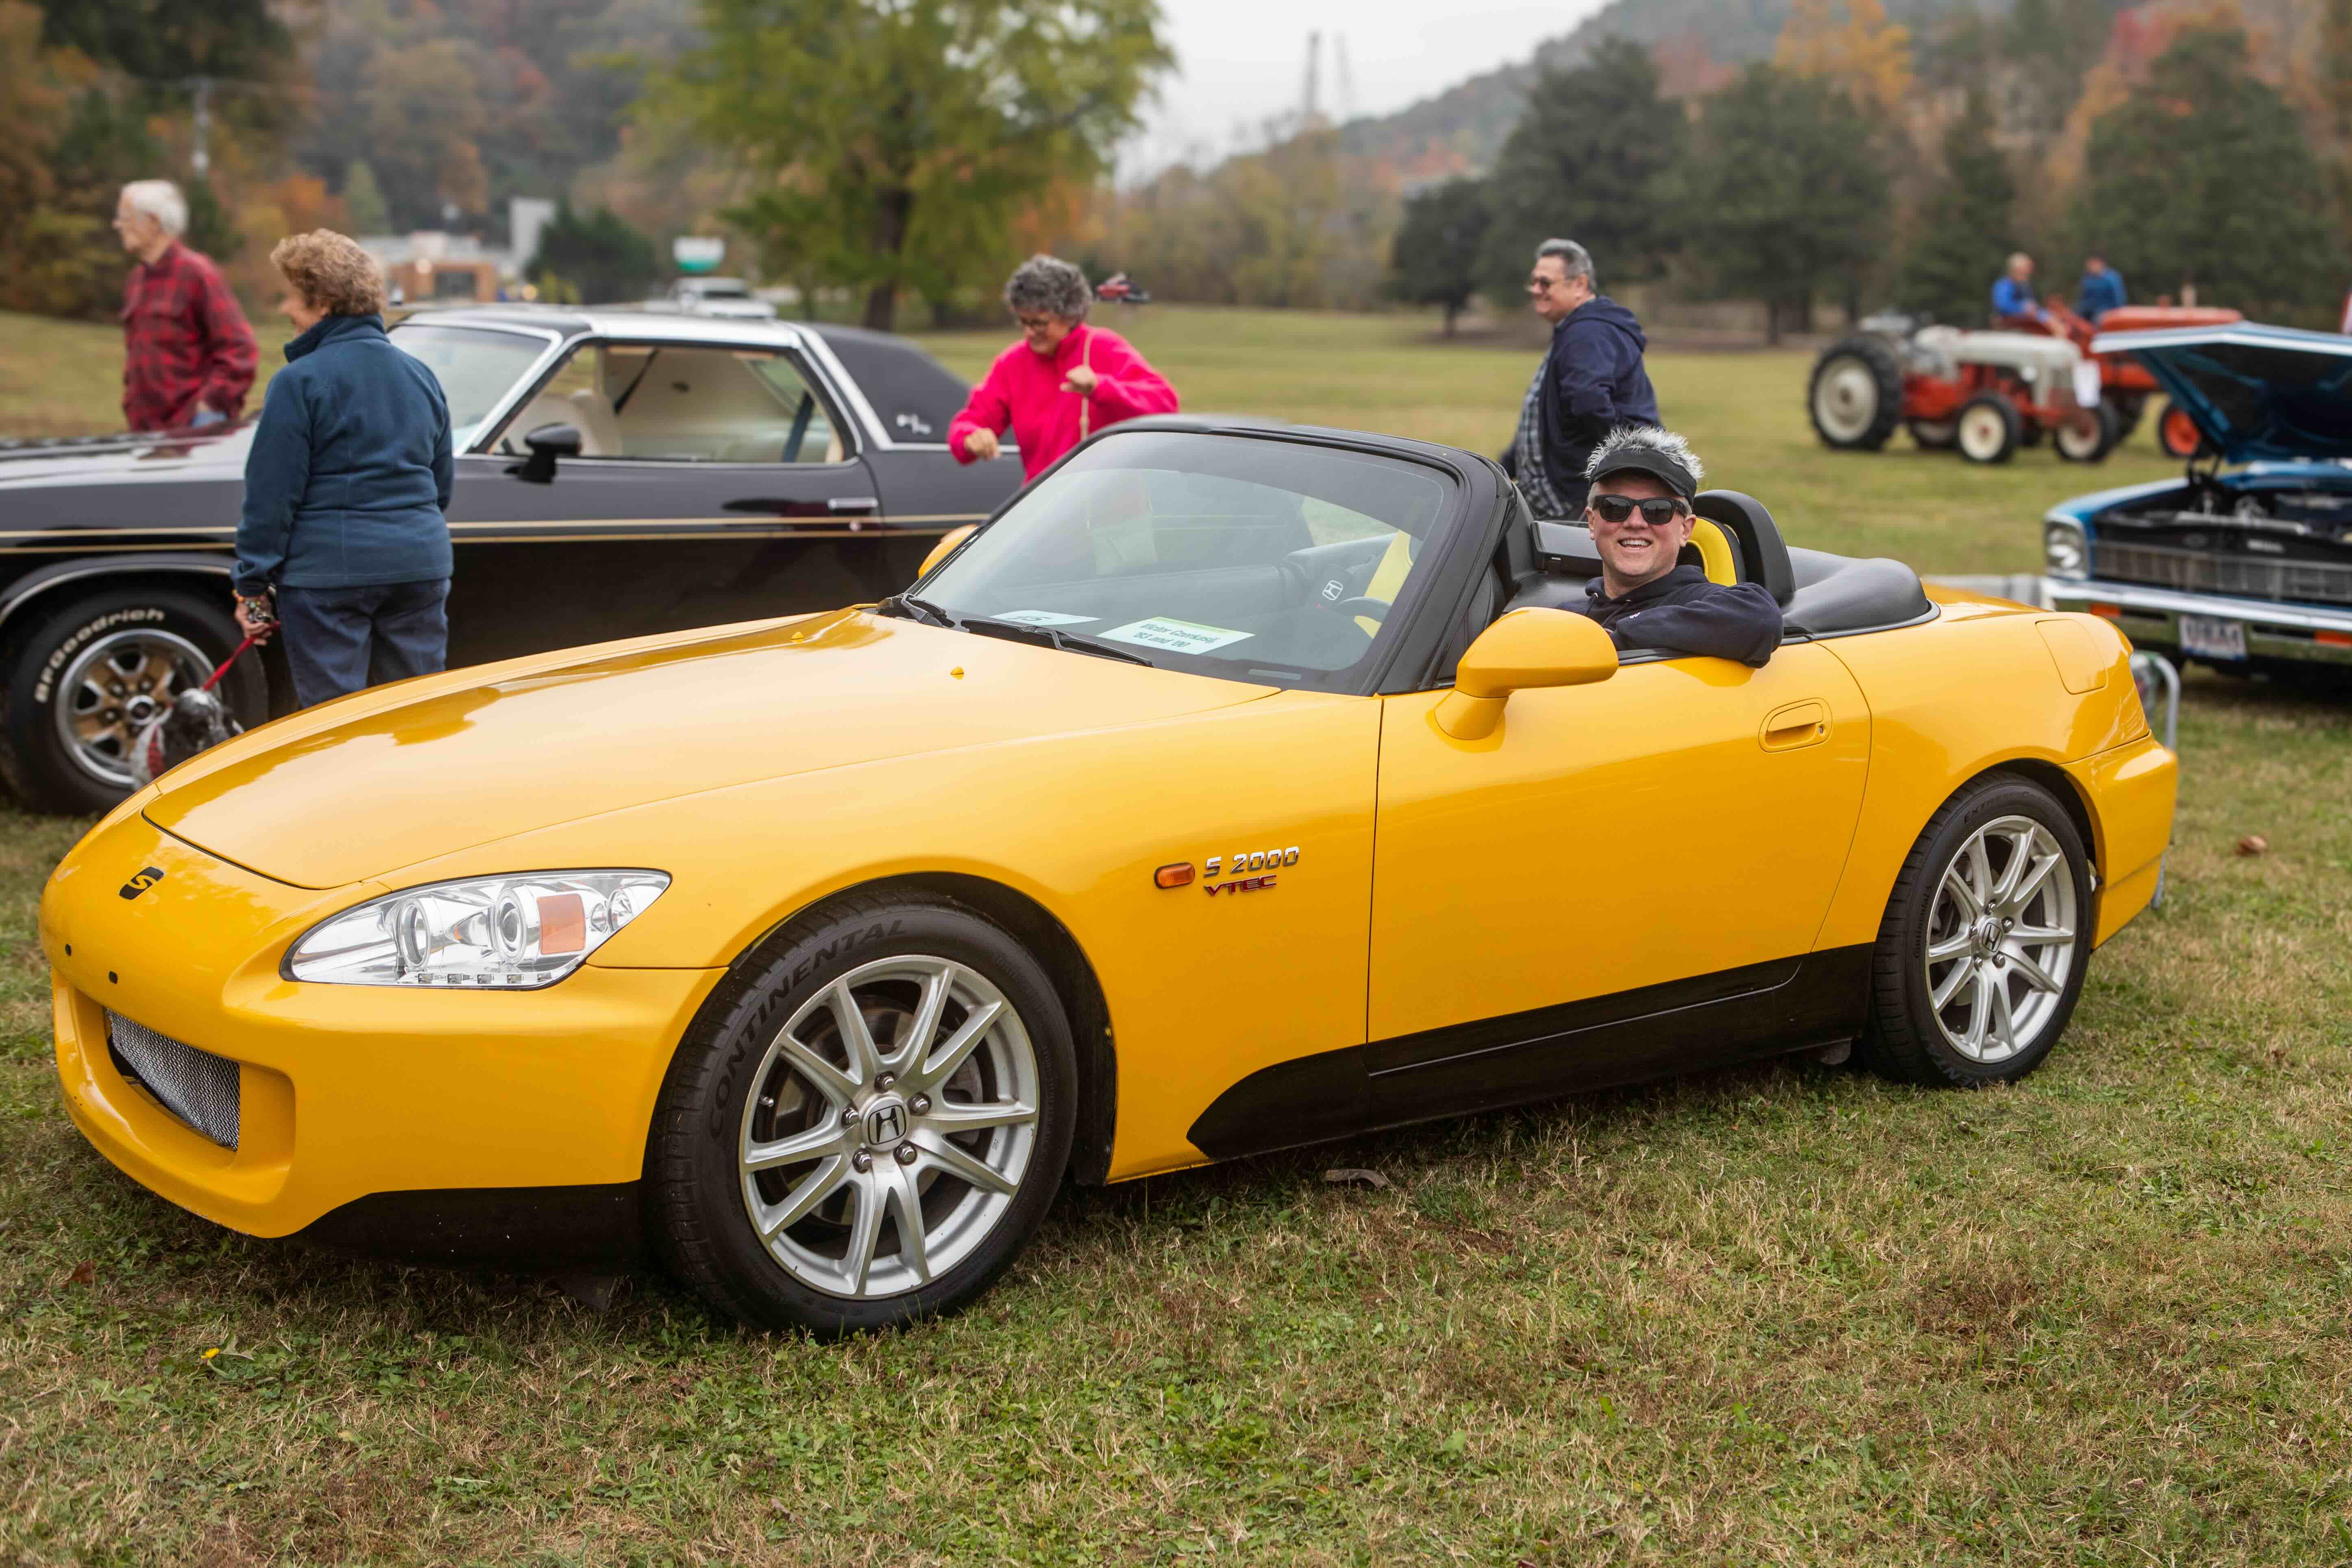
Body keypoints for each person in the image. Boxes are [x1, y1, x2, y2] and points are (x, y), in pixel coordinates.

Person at [233, 230, 455, 708]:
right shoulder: (421, 376)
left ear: (325, 303)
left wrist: (251, 588)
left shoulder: (299, 382)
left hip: (328, 578)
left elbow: (272, 497)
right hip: (420, 566)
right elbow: (441, 487)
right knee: (418, 713)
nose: (286, 310)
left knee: (335, 724)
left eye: (293, 296)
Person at [950, 255, 1178, 481]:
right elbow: (971, 421)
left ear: (1070, 314)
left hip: (1114, 506)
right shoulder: (1012, 363)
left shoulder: (1104, 347)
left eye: (1038, 323)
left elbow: (1165, 404)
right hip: (1046, 505)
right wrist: (970, 437)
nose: (1029, 332)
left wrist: (1101, 388)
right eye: (1023, 321)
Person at [1574, 426, 1781, 667]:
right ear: (1592, 522)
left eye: (1658, 510)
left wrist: (1617, 639)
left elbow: (1760, 619)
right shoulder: (1569, 615)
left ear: (1686, 530)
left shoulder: (1697, 600)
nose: (1635, 523)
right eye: (1616, 507)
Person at [1500, 238, 1659, 519]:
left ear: (1580, 285)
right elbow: (1545, 419)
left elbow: (1588, 401)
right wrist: (1503, 468)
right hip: (1566, 498)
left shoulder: (1588, 332)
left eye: (1546, 283)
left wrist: (1618, 464)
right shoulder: (1574, 329)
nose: (1536, 290)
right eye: (1534, 282)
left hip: (1575, 500)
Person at [113, 179, 258, 433]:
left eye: (125, 217)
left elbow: (240, 350)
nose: (118, 225)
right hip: (147, 434)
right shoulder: (136, 279)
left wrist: (208, 409)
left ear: (153, 222)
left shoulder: (197, 272)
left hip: (190, 435)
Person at [1991, 253, 2049, 329]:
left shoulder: (2024, 286)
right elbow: (2002, 306)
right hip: (2010, 321)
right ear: (2017, 270)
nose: (2029, 273)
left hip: (2026, 320)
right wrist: (2022, 308)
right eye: (2027, 270)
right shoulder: (2004, 285)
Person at [2076, 254, 2127, 322]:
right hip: (2091, 309)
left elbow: (2119, 298)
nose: (2090, 268)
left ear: (2100, 264)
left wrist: (2118, 312)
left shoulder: (2112, 279)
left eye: (2093, 265)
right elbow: (2084, 298)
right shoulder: (2088, 279)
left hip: (2108, 309)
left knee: (2097, 319)